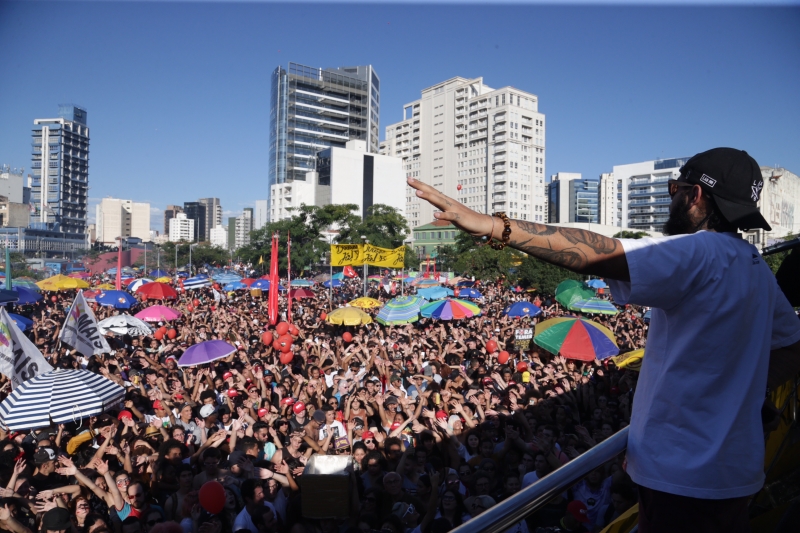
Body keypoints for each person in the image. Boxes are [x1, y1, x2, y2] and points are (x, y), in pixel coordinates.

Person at [407, 147, 800, 533]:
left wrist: (494, 226)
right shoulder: (755, 267)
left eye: (672, 189)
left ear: (695, 195)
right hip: (734, 471)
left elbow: (600, 251)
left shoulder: (698, 252)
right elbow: (793, 347)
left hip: (685, 476)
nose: (671, 200)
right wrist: (747, 395)